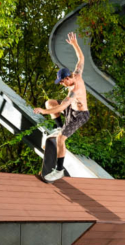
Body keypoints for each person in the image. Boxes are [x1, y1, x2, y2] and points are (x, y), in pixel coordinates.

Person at [32, 31, 90, 183]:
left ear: (66, 79)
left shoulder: (75, 90)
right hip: (72, 110)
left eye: (62, 82)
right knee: (50, 102)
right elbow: (81, 59)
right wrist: (75, 44)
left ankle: (59, 170)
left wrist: (44, 112)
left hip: (80, 115)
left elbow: (62, 106)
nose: (62, 84)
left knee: (60, 139)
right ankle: (59, 126)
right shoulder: (76, 73)